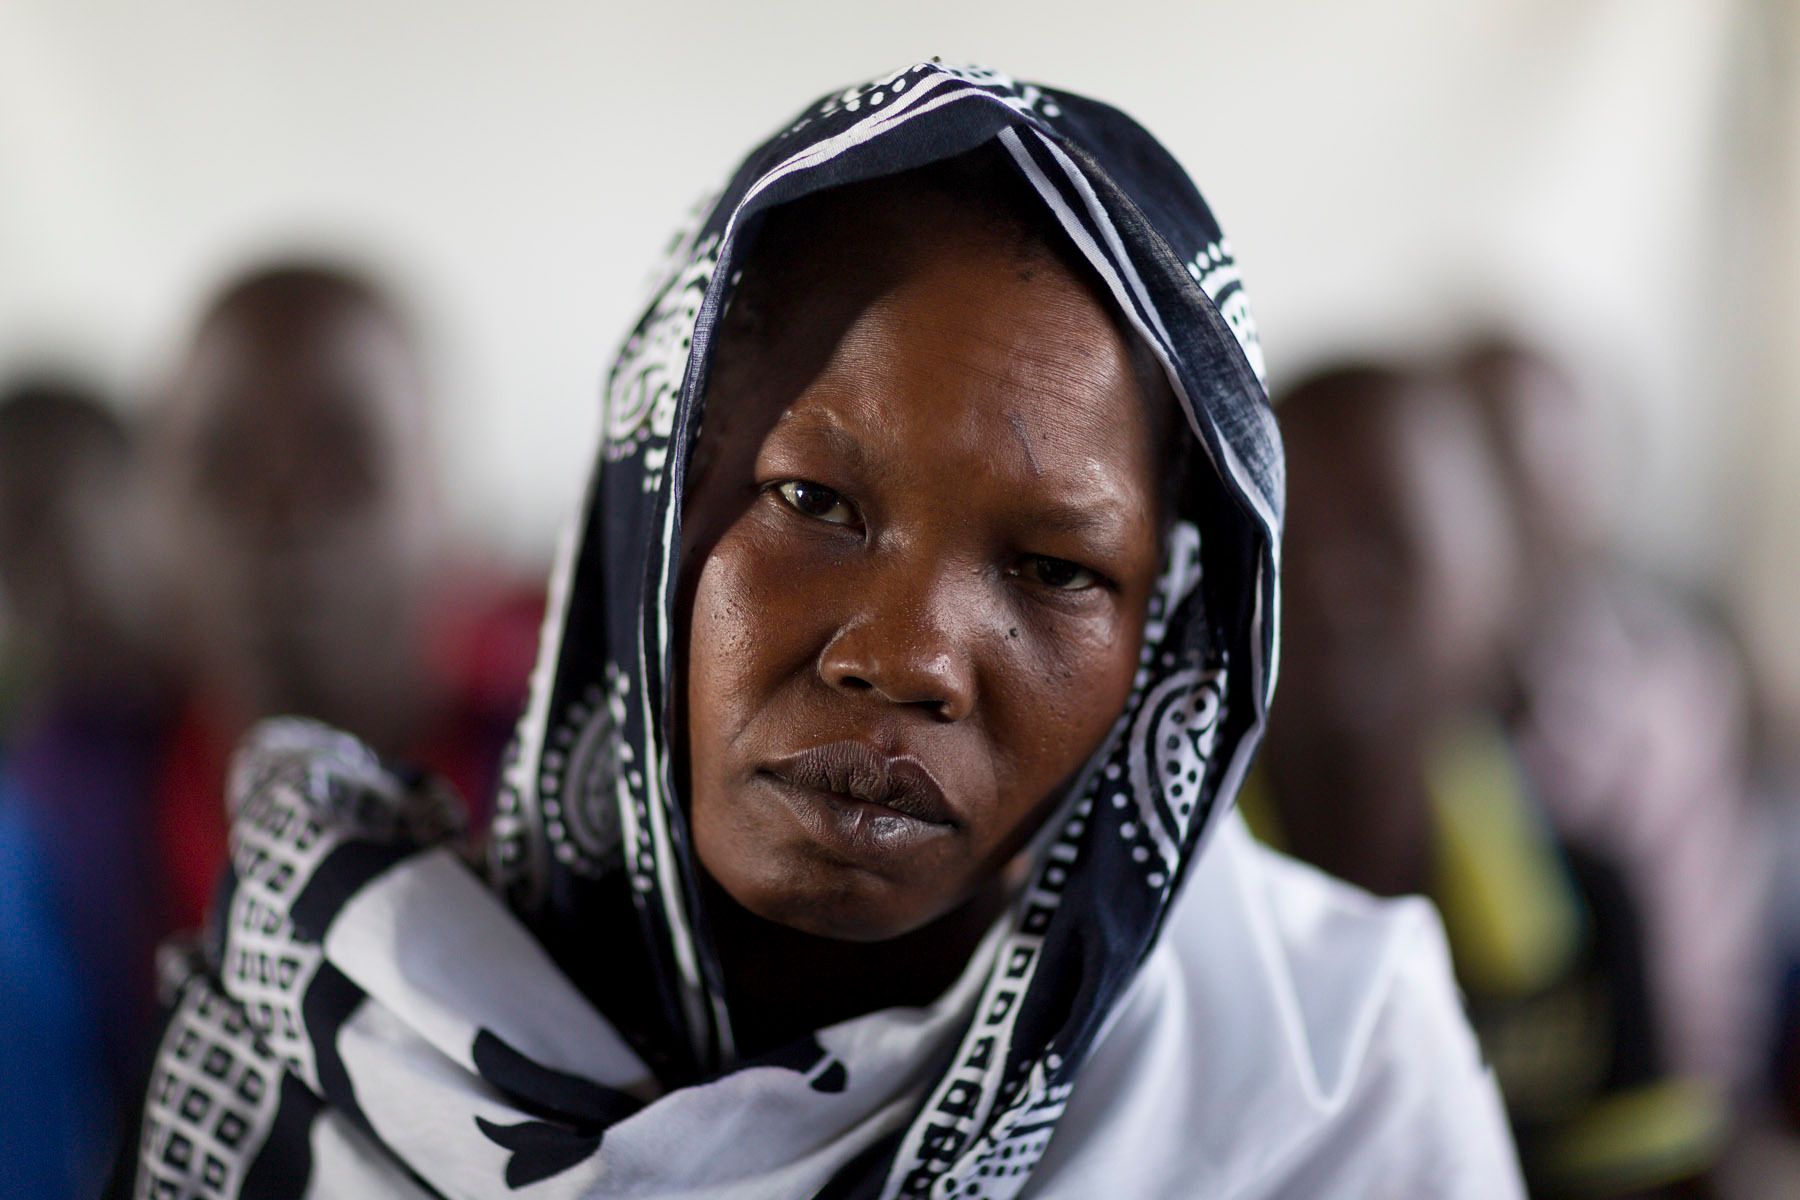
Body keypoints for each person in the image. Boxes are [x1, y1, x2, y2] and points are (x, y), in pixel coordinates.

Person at [112, 63, 1521, 1198]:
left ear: (1165, 646)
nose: (904, 656)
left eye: (1052, 569)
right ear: (649, 514)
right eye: (811, 500)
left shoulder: (1322, 1073)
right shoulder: (337, 1020)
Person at [144, 262, 538, 929]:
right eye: (225, 464)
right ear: (156, 510)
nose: (280, 513)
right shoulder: (76, 824)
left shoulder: (574, 785)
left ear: (439, 494)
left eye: (344, 458)